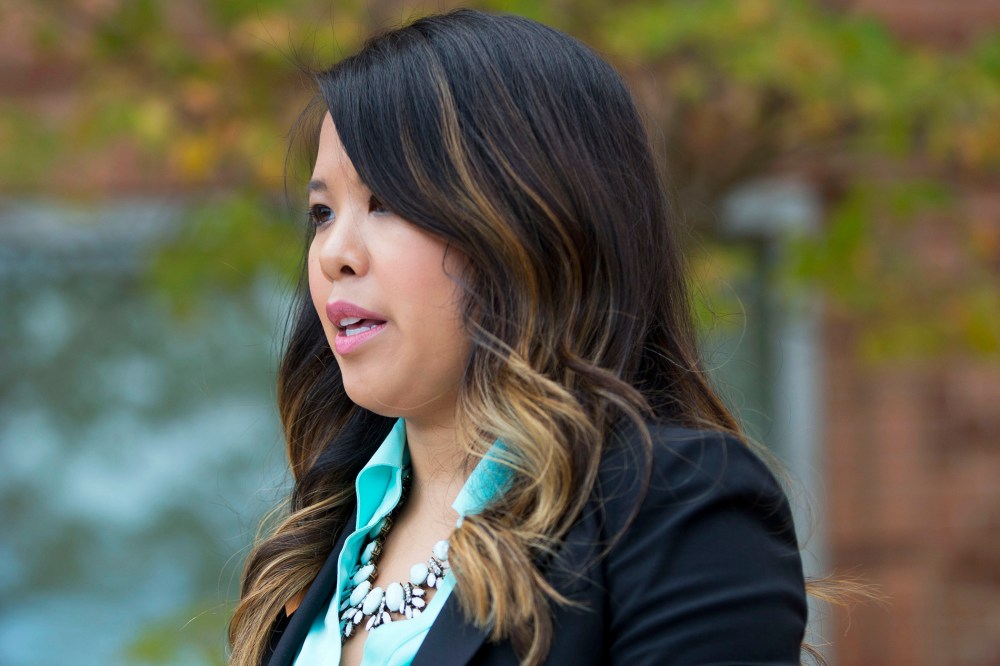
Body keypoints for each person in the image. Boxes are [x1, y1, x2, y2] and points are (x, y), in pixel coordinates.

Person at [229, 9, 808, 666]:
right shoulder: (309, 552)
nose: (334, 252)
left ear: (530, 223)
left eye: (385, 201)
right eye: (322, 212)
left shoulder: (674, 506)